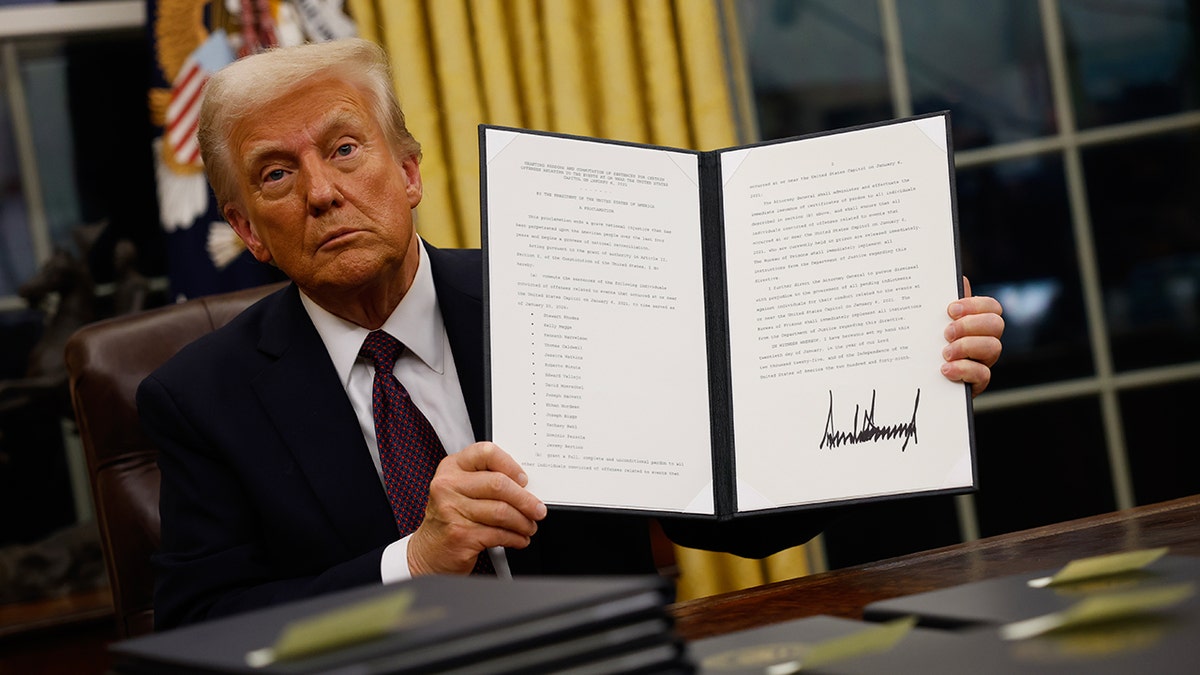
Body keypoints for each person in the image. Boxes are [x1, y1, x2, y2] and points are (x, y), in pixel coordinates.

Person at [138, 38, 1004, 630]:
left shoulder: (563, 291)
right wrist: (416, 560)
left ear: (408, 174)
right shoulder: (201, 398)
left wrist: (910, 384)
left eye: (345, 149)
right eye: (277, 174)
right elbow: (199, 629)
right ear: (248, 229)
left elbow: (729, 518)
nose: (322, 192)